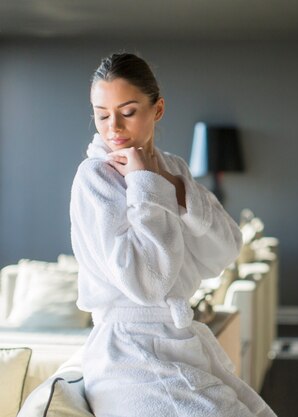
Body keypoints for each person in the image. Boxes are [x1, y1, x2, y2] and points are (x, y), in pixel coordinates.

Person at [70, 52, 276, 417]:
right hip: (127, 355)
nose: (113, 127)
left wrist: (171, 187)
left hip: (180, 341)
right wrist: (142, 183)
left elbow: (224, 250)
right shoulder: (95, 178)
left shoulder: (173, 168)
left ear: (158, 109)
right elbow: (147, 283)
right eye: (101, 115)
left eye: (128, 111)